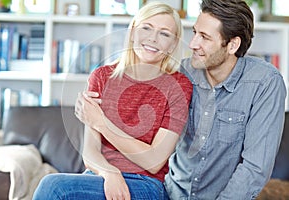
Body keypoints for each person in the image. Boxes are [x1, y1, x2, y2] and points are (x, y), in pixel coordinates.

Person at [33, 2, 192, 200]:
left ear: (173, 44)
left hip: (146, 184)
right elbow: (90, 151)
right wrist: (109, 173)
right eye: (146, 28)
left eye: (165, 34)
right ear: (133, 32)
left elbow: (154, 161)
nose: (153, 38)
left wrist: (101, 122)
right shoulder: (101, 77)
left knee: (54, 186)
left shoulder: (178, 86)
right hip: (99, 176)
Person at [164, 0, 287, 199]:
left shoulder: (265, 83)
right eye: (195, 33)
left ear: (232, 45)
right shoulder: (181, 72)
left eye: (204, 37)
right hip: (170, 193)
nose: (193, 44)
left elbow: (255, 167)